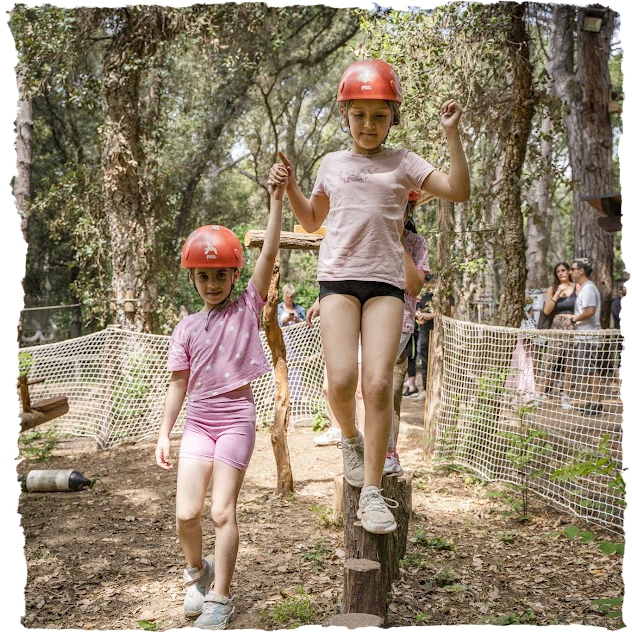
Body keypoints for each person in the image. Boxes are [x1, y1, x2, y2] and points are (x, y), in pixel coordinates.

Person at [268, 58, 470, 534]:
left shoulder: (405, 163)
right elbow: (312, 219)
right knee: (340, 382)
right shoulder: (332, 164)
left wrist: (452, 133)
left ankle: (373, 492)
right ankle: (350, 438)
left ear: (392, 117)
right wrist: (292, 185)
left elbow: (458, 190)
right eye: (359, 114)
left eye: (379, 115)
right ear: (346, 115)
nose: (369, 124)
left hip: (386, 285)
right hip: (337, 279)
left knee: (376, 385)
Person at [155, 165, 288, 629]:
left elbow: (269, 254)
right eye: (204, 276)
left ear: (233, 275)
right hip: (197, 422)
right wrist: (163, 434)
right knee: (186, 514)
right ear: (193, 279)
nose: (213, 284)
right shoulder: (186, 328)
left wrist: (276, 201)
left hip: (236, 418)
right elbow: (178, 384)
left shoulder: (248, 305)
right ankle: (198, 572)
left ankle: (221, 596)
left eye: (220, 275)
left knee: (220, 510)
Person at [387, 192, 429, 476]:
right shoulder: (368, 234)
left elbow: (415, 287)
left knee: (377, 387)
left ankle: (388, 452)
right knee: (361, 387)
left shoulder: (416, 243)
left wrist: (399, 240)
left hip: (398, 322)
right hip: (364, 317)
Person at [307, 297, 365, 446]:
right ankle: (336, 429)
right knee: (328, 387)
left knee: (359, 391)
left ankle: (363, 436)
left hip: (359, 329)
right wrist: (317, 302)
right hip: (337, 330)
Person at [564, 258, 604, 417]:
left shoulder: (588, 289)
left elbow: (590, 311)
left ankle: (596, 403)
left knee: (590, 370)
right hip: (584, 336)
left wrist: (572, 320)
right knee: (588, 370)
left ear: (581, 271)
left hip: (589, 336)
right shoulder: (585, 288)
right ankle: (593, 401)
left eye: (573, 269)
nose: (570, 272)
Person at [538, 262, 578, 410]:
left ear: (569, 271)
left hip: (573, 326)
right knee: (550, 361)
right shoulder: (552, 289)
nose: (561, 273)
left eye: (563, 270)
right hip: (557, 326)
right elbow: (547, 311)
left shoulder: (577, 288)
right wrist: (557, 294)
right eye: (558, 271)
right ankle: (538, 395)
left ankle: (566, 398)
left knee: (569, 363)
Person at [414, 275, 455, 400]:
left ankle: (442, 390)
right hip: (424, 332)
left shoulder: (445, 295)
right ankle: (426, 390)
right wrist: (419, 314)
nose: (427, 286)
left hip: (441, 332)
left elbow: (450, 312)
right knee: (423, 358)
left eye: (429, 283)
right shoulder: (423, 295)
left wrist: (430, 316)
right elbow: (417, 309)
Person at [277, 283, 306, 403]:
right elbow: (275, 323)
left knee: (296, 367)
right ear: (283, 296)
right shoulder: (278, 308)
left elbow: (305, 325)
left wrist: (296, 319)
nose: (290, 299)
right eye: (288, 296)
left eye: (292, 296)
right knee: (281, 366)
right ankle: (281, 394)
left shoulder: (299, 309)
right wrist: (284, 319)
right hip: (283, 341)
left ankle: (296, 396)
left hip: (296, 343)